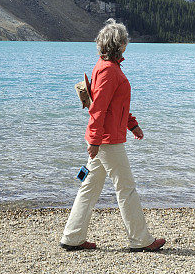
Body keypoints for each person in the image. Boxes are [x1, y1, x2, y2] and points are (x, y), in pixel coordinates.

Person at [59, 19, 165, 252]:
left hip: (104, 139)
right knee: (126, 188)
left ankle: (72, 237)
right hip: (107, 141)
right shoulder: (108, 71)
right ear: (120, 45)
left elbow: (117, 106)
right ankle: (140, 240)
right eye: (125, 41)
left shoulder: (106, 67)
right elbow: (99, 109)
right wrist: (95, 141)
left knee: (88, 185)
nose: (127, 44)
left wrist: (132, 125)